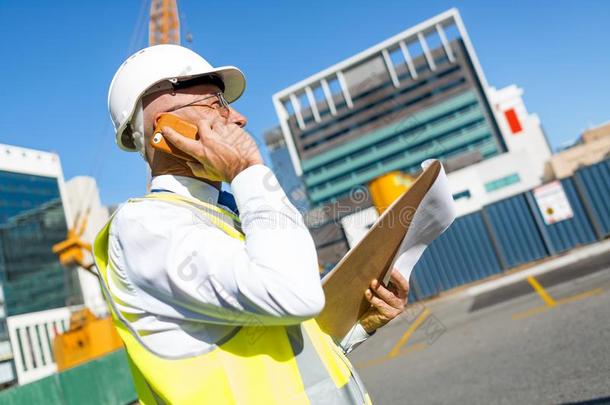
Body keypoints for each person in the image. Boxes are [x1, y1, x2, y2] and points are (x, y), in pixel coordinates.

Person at [95, 44, 410, 405]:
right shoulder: (145, 227)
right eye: (217, 105)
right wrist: (244, 170)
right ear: (165, 126)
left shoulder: (231, 214)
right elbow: (294, 294)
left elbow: (281, 355)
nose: (240, 118)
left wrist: (358, 323)